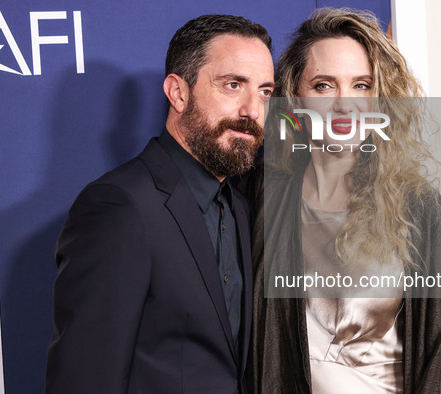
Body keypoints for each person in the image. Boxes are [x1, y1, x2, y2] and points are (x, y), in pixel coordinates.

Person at [241, 8, 441, 393]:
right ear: (293, 98)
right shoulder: (259, 198)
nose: (345, 104)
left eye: (361, 85)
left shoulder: (420, 210)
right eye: (323, 85)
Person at [45, 14, 274, 393]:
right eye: (233, 85)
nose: (252, 110)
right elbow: (83, 380)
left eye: (264, 92)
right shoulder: (119, 206)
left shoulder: (239, 206)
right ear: (178, 92)